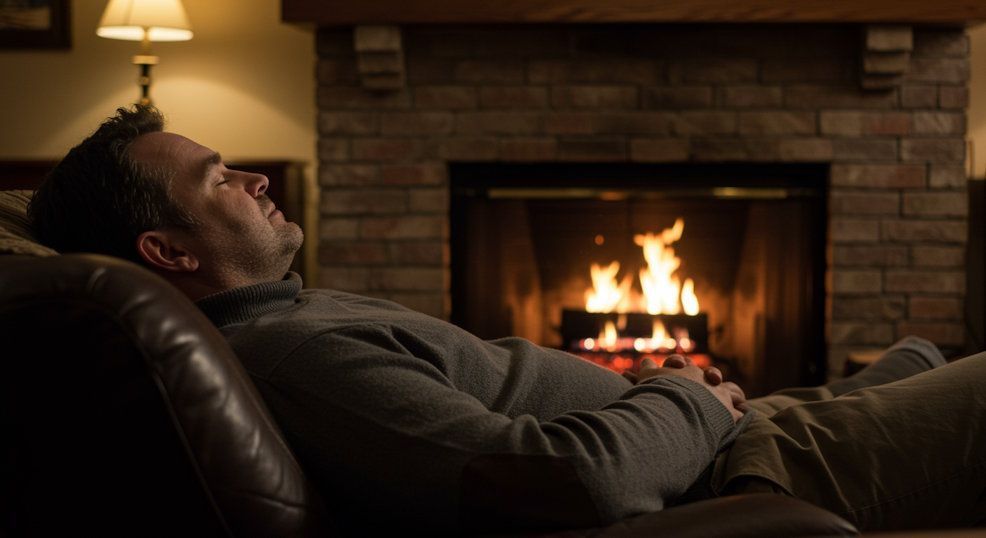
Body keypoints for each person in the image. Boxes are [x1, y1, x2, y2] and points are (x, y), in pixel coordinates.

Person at [28, 106, 986, 533]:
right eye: (219, 179)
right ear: (169, 251)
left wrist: (697, 401)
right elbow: (562, 478)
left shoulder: (286, 323)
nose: (259, 177)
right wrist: (688, 393)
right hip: (748, 465)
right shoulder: (288, 354)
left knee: (918, 353)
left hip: (743, 430)